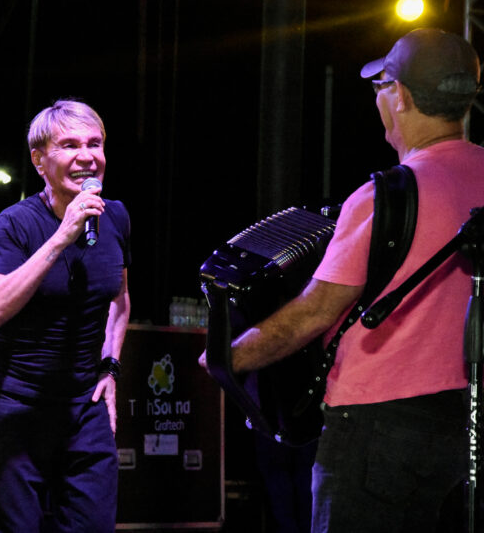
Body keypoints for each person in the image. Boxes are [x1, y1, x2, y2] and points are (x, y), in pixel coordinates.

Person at [202, 28, 483, 532]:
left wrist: (228, 355)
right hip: (467, 423)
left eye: (381, 87)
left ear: (398, 95)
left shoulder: (385, 195)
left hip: (376, 431)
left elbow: (313, 313)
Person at [0, 99, 131, 532]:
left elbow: (118, 299)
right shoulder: (16, 223)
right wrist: (62, 237)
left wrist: (111, 368)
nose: (87, 156)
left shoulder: (113, 216)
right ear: (39, 160)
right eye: (70, 145)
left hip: (83, 408)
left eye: (94, 144)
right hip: (14, 406)